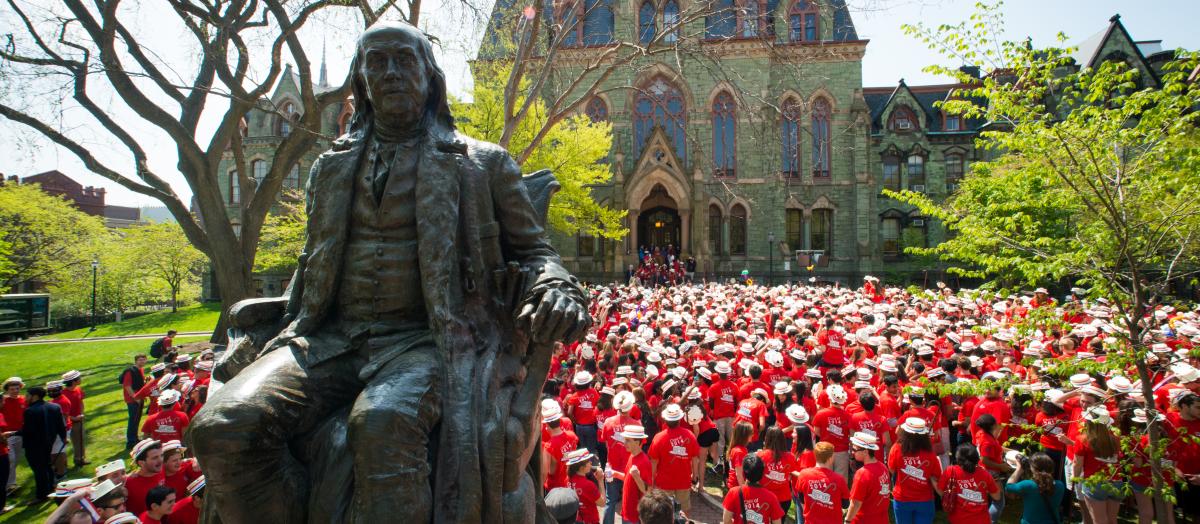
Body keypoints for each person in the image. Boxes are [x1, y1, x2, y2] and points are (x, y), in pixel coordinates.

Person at [188, 21, 589, 524]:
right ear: (361, 81)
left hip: (428, 340)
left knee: (382, 421)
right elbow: (315, 263)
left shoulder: (482, 163)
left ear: (429, 75)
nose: (391, 72)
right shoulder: (328, 168)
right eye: (377, 62)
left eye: (404, 59)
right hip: (328, 340)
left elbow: (536, 253)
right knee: (223, 424)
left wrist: (556, 286)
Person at [1072, 407, 1122, 524]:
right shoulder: (1116, 438)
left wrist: (1075, 477)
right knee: (1112, 520)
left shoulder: (1083, 440)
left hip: (1094, 482)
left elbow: (1077, 463)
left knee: (1099, 521)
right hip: (1116, 480)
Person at [16, 385, 66, 502]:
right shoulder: (54, 407)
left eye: (27, 395)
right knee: (47, 466)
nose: (25, 397)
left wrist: (14, 433)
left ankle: (41, 495)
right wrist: (63, 437)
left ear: (35, 396)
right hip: (49, 442)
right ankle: (51, 487)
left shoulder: (30, 411)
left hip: (34, 445)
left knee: (39, 470)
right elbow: (60, 425)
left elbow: (28, 431)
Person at [888, 417, 941, 524]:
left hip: (902, 499)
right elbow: (936, 476)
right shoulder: (930, 454)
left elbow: (892, 470)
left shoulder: (896, 448)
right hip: (925, 501)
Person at [648, 403, 698, 512]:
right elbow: (695, 458)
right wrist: (695, 475)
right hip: (683, 480)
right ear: (680, 419)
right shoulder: (690, 435)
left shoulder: (658, 438)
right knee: (684, 511)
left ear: (665, 420)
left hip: (663, 482)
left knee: (664, 512)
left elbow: (653, 462)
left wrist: (651, 481)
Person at [939, 444, 1001, 524]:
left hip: (957, 520)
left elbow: (941, 492)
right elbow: (997, 496)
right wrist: (996, 481)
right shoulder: (985, 474)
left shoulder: (950, 471)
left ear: (958, 458)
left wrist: (932, 480)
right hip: (981, 520)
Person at [793, 441, 848, 524]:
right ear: (830, 458)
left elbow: (801, 498)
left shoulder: (804, 474)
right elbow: (845, 504)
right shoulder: (839, 479)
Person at [721, 454, 784, 524]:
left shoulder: (733, 492)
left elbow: (726, 520)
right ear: (762, 473)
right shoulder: (772, 497)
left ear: (744, 472)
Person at [1005, 452, 1065, 524]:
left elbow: (1008, 487)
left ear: (1033, 468)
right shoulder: (1060, 485)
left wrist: (1018, 469)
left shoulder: (1028, 485)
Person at [845, 432, 889, 524]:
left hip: (864, 520)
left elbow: (855, 503)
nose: (852, 452)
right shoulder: (883, 467)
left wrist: (847, 520)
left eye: (854, 449)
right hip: (882, 519)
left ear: (865, 452)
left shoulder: (862, 473)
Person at [754, 426, 799, 516]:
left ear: (767, 438)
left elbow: (755, 476)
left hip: (764, 497)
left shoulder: (760, 455)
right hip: (783, 498)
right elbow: (790, 476)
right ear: (783, 439)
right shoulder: (790, 457)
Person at [123, 439, 165, 516]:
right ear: (141, 463)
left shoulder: (162, 469)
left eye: (161, 455)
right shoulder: (129, 484)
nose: (161, 460)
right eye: (155, 458)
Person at [619, 425, 651, 524]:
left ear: (637, 443)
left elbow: (647, 491)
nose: (624, 443)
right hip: (627, 512)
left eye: (628, 440)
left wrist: (637, 477)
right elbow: (628, 479)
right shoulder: (632, 455)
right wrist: (616, 474)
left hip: (634, 516)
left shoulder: (644, 461)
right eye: (625, 440)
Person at [567, 371, 601, 456]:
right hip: (591, 426)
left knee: (582, 449)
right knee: (591, 450)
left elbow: (569, 412)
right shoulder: (594, 392)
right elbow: (598, 406)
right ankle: (591, 466)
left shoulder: (574, 396)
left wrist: (575, 421)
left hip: (579, 426)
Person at [566, 448, 605, 524]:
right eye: (588, 461)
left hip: (575, 520)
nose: (591, 462)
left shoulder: (567, 479)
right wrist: (600, 481)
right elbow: (602, 503)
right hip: (589, 520)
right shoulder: (588, 485)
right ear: (581, 467)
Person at [3, 376, 26, 493]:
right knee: (10, 459)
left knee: (16, 459)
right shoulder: (3, 401)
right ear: (7, 389)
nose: (15, 391)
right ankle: (10, 485)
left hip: (20, 434)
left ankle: (10, 483)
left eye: (17, 388)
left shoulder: (24, 400)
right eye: (12, 389)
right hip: (7, 435)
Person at [120, 355, 148, 451]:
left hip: (139, 398)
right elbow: (127, 386)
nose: (142, 362)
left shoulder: (141, 370)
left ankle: (135, 438)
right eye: (140, 360)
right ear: (136, 361)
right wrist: (136, 398)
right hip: (132, 400)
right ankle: (130, 442)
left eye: (144, 360)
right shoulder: (130, 371)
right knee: (133, 420)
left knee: (137, 419)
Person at [60, 370, 87, 468]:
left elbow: (81, 402)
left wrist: (82, 414)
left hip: (79, 418)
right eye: (79, 378)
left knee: (81, 439)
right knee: (74, 441)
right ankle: (66, 464)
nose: (81, 379)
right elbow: (63, 413)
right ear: (74, 381)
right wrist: (74, 418)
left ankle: (81, 458)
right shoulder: (64, 394)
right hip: (70, 421)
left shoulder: (78, 389)